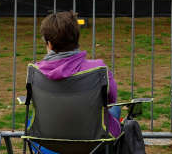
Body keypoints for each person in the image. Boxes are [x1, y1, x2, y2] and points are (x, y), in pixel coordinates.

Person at [31, 11, 146, 154]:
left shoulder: (36, 72)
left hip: (46, 140)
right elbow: (111, 99)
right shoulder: (98, 69)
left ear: (48, 43)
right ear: (77, 39)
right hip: (93, 140)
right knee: (115, 109)